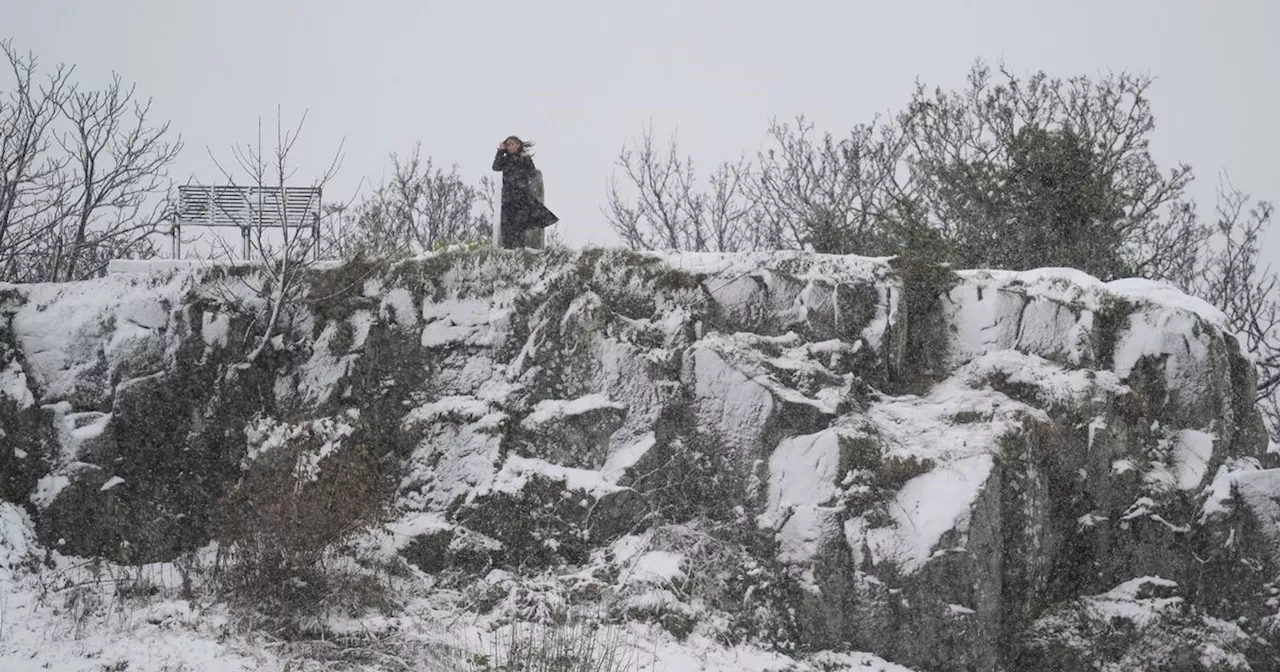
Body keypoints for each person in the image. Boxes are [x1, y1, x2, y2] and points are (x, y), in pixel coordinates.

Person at [492, 136, 558, 249]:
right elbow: (495, 167)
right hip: (508, 198)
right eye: (507, 145)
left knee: (520, 226)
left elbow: (532, 173)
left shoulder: (524, 159)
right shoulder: (504, 160)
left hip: (522, 198)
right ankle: (507, 250)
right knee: (507, 225)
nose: (509, 146)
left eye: (512, 144)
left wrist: (527, 159)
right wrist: (500, 151)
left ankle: (520, 250)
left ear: (518, 145)